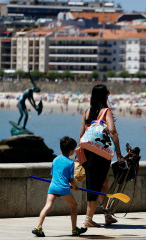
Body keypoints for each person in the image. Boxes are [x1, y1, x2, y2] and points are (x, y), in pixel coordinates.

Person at [78, 84, 124, 227]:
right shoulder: (105, 111)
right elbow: (113, 132)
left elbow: (81, 135)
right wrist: (119, 154)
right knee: (94, 185)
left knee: (104, 182)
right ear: (105, 96)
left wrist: (80, 154)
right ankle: (88, 219)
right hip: (101, 154)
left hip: (88, 152)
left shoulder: (87, 112)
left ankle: (106, 214)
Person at [32, 136, 87, 237]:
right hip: (63, 188)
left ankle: (38, 227)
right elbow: (71, 180)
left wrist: (68, 184)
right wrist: (74, 187)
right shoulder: (71, 163)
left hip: (53, 187)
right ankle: (74, 230)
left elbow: (54, 175)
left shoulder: (55, 159)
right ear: (71, 151)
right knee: (74, 206)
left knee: (47, 206)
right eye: (74, 149)